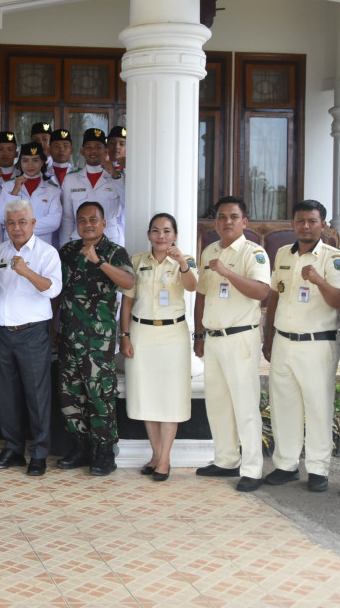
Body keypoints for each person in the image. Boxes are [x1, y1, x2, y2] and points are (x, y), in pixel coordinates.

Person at [262, 199, 340, 493]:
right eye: (300, 221)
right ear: (293, 224)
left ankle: (318, 469)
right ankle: (286, 465)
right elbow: (275, 295)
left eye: (312, 221)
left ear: (323, 225)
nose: (306, 226)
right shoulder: (284, 253)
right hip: (284, 340)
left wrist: (320, 281)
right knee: (284, 405)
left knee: (318, 407)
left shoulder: (333, 257)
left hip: (317, 343)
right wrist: (268, 335)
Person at [194, 196, 270, 492]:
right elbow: (201, 293)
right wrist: (199, 334)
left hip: (240, 337)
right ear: (215, 222)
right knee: (217, 402)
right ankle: (226, 459)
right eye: (222, 217)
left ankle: (252, 468)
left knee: (245, 403)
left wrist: (228, 272)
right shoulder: (210, 251)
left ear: (244, 222)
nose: (227, 222)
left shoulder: (254, 253)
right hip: (213, 337)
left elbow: (262, 292)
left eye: (234, 217)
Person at [0, 198, 63, 476]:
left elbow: (52, 290)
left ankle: (39, 454)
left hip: (32, 333)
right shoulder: (0, 250)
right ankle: (13, 448)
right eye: (11, 223)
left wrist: (27, 271)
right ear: (5, 225)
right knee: (6, 395)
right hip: (3, 331)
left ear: (33, 224)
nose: (17, 227)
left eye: (22, 222)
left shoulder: (47, 253)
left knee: (36, 395)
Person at [58, 202, 136, 477]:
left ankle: (104, 451)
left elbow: (128, 282)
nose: (88, 224)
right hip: (68, 335)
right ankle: (79, 447)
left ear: (104, 223)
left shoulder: (114, 252)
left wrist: (99, 261)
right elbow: (56, 291)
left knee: (99, 394)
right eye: (82, 220)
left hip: (97, 340)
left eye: (94, 219)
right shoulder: (67, 251)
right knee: (71, 393)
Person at [119, 213, 195, 480]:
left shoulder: (184, 261)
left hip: (173, 335)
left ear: (175, 235)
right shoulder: (137, 261)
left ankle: (165, 459)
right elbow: (127, 301)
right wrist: (124, 335)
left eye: (166, 231)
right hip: (142, 333)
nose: (161, 236)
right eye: (155, 231)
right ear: (149, 234)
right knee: (146, 396)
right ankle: (155, 454)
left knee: (170, 397)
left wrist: (182, 263)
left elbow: (192, 285)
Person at [59, 128, 124, 247]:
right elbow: (67, 218)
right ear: (82, 151)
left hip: (110, 240)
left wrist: (115, 175)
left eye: (98, 147)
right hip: (80, 240)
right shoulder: (71, 179)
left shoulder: (117, 177)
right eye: (88, 147)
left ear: (106, 151)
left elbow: (128, 204)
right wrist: (64, 246)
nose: (93, 151)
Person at [0, 142, 61, 248]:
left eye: (35, 160)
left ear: (42, 162)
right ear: (20, 162)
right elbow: (0, 217)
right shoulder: (8, 187)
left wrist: (21, 227)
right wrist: (14, 193)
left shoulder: (53, 191)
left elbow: (54, 221)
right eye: (25, 160)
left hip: (42, 247)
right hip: (13, 246)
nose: (30, 165)